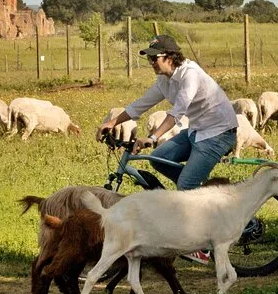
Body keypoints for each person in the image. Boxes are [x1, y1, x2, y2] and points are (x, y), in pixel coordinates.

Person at [97, 35, 238, 264]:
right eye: (149, 59)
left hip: (219, 133)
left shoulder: (190, 75)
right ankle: (200, 197)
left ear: (170, 57)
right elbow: (142, 104)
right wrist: (113, 122)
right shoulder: (164, 80)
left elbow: (177, 113)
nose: (151, 62)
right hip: (197, 131)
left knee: (186, 185)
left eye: (155, 58)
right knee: (158, 159)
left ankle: (202, 248)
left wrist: (153, 137)